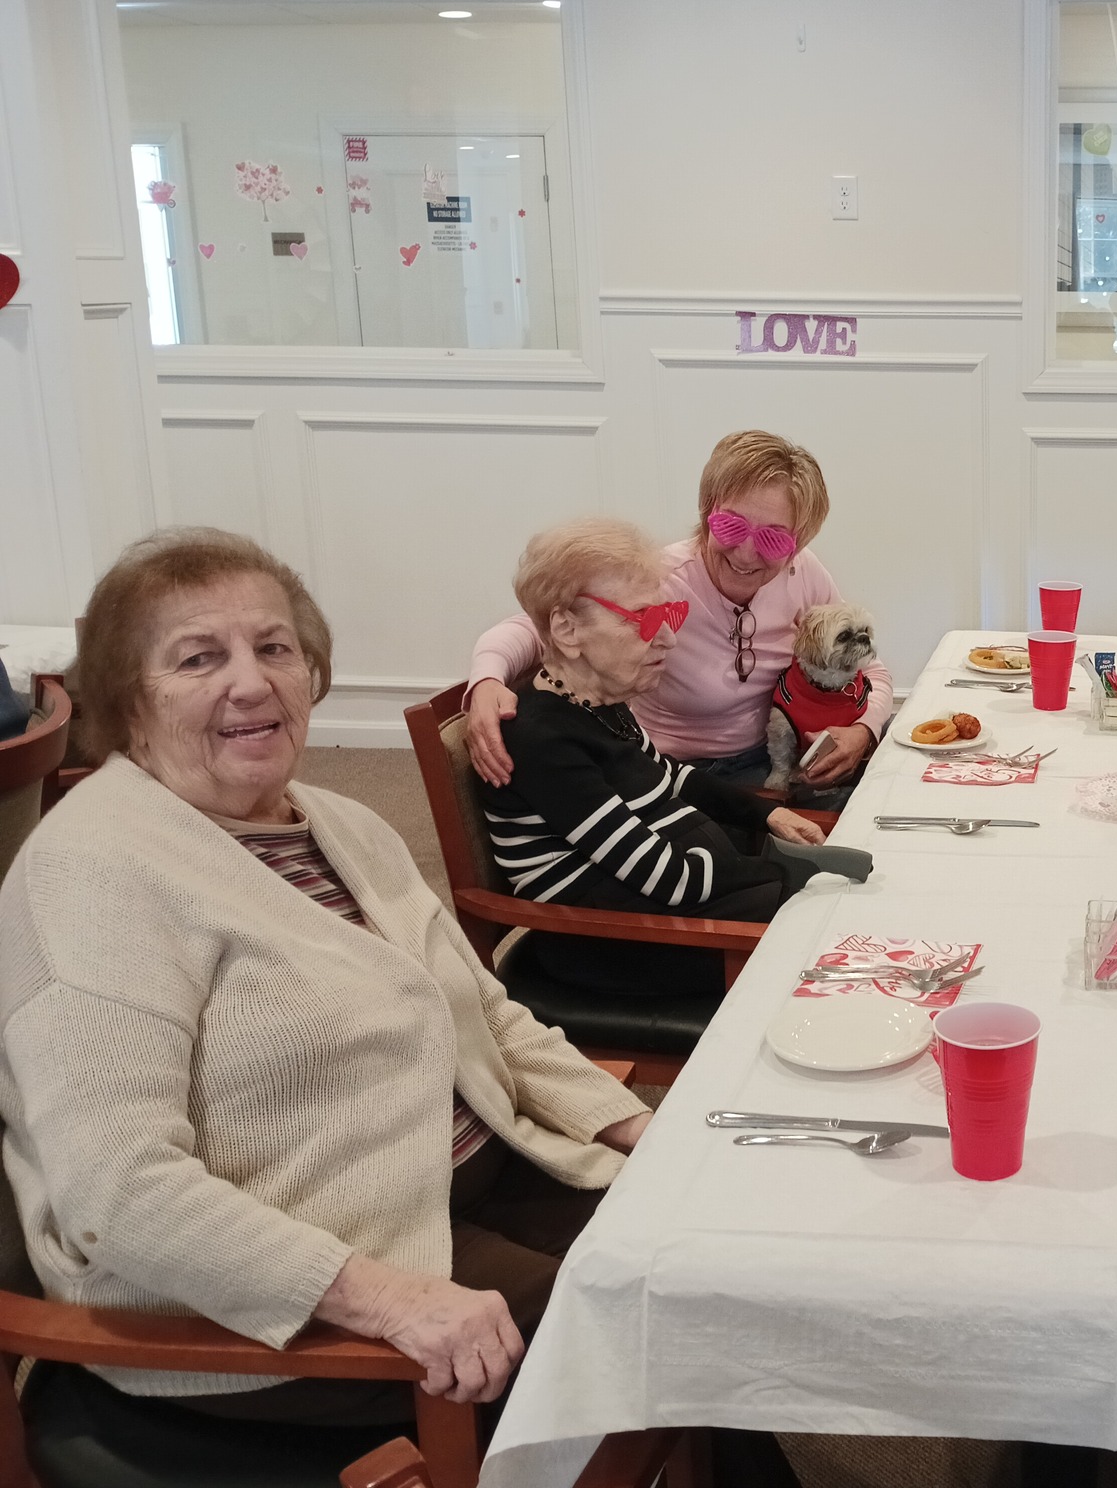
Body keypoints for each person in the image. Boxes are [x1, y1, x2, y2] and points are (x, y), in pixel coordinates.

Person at [0, 527, 657, 1437]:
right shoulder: (93, 875)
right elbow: (117, 1191)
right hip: (286, 1299)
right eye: (199, 658)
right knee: (654, 1326)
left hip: (455, 1182)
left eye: (275, 648)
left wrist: (634, 1127)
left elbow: (486, 1014)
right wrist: (389, 1301)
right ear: (127, 701)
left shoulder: (338, 822)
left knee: (697, 1252)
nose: (252, 681)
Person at [480, 518, 870, 994]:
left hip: (682, 910)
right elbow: (668, 878)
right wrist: (791, 872)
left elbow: (669, 779)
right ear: (566, 629)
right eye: (644, 619)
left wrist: (769, 816)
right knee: (840, 922)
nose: (667, 638)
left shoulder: (600, 706)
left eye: (668, 616)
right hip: (618, 947)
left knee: (845, 905)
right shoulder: (543, 742)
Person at [465, 430, 892, 797]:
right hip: (681, 775)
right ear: (706, 513)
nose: (746, 553)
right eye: (730, 526)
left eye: (775, 540)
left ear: (798, 544)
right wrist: (486, 679)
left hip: (780, 755)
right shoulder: (662, 578)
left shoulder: (804, 575)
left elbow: (873, 672)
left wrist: (865, 730)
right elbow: (537, 628)